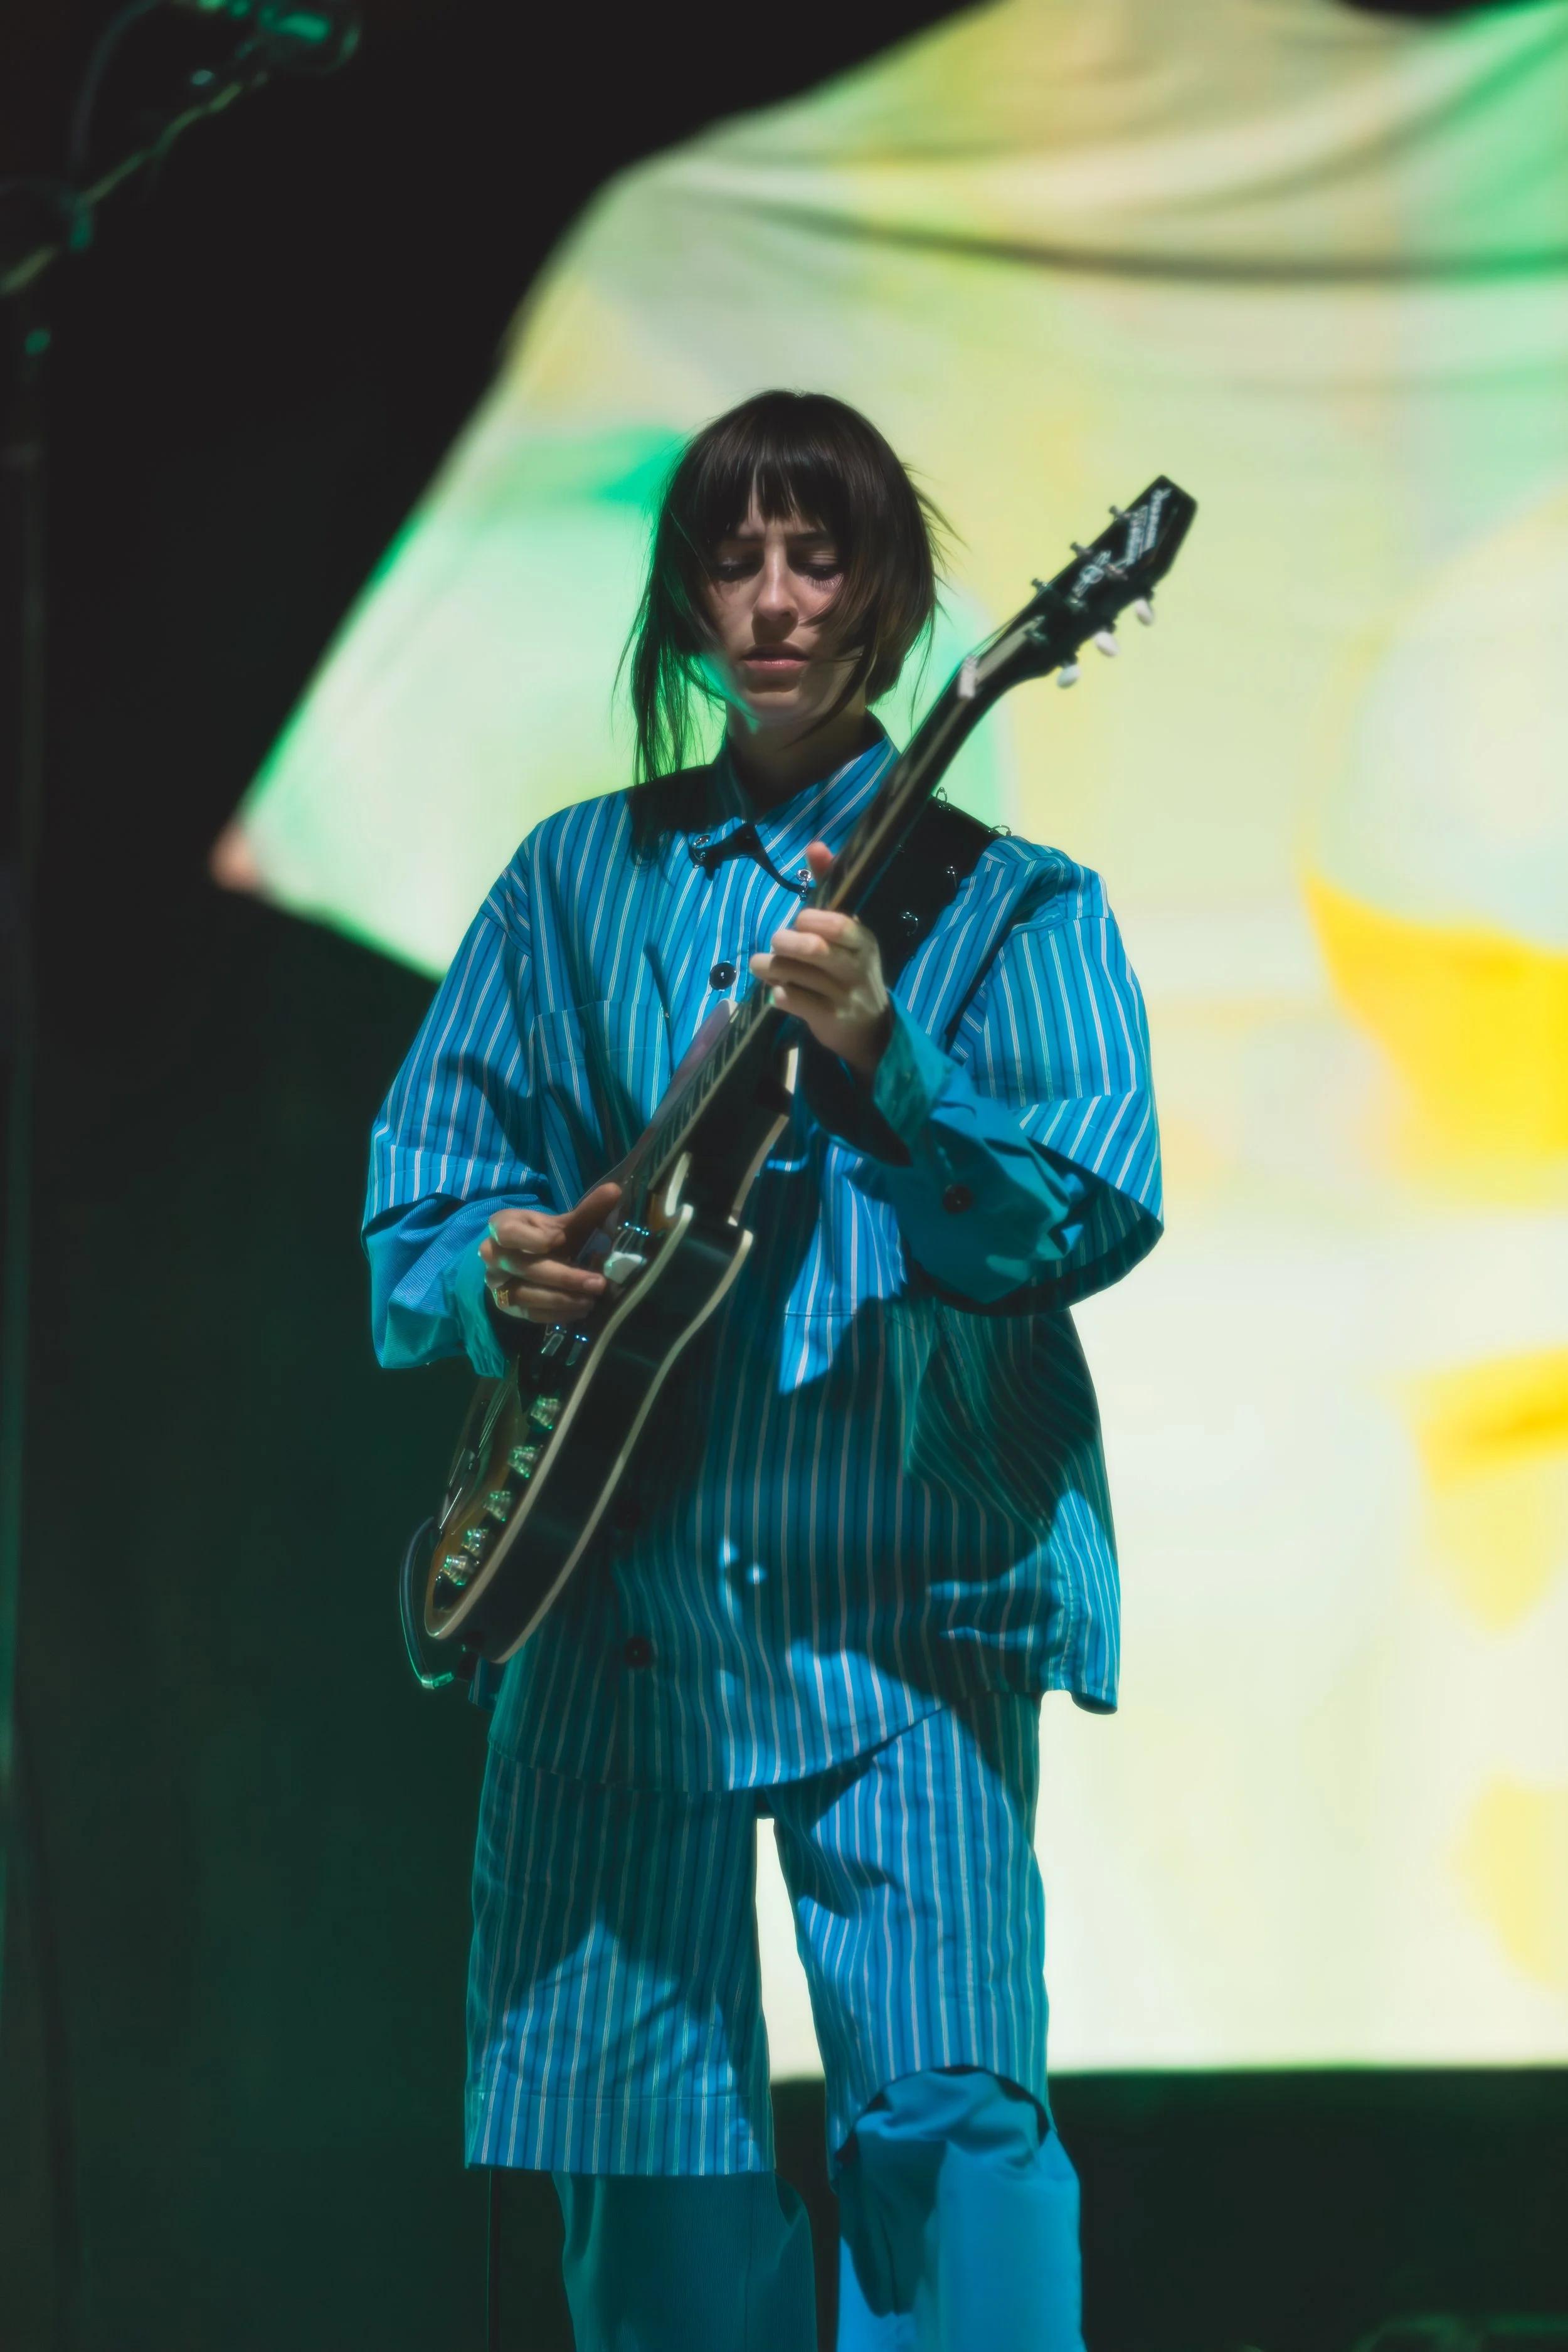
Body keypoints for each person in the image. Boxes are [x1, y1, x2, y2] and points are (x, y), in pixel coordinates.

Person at [364, 389, 1162, 2351]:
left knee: (954, 2127)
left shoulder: (1014, 904)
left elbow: (1088, 1206)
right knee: (639, 2166)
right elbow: (424, 1188)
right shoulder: (575, 884)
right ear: (686, 600)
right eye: (734, 558)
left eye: (820, 559)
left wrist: (897, 1070)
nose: (777, 600)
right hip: (607, 1598)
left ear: (891, 604)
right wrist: (500, 1266)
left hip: (903, 1602)